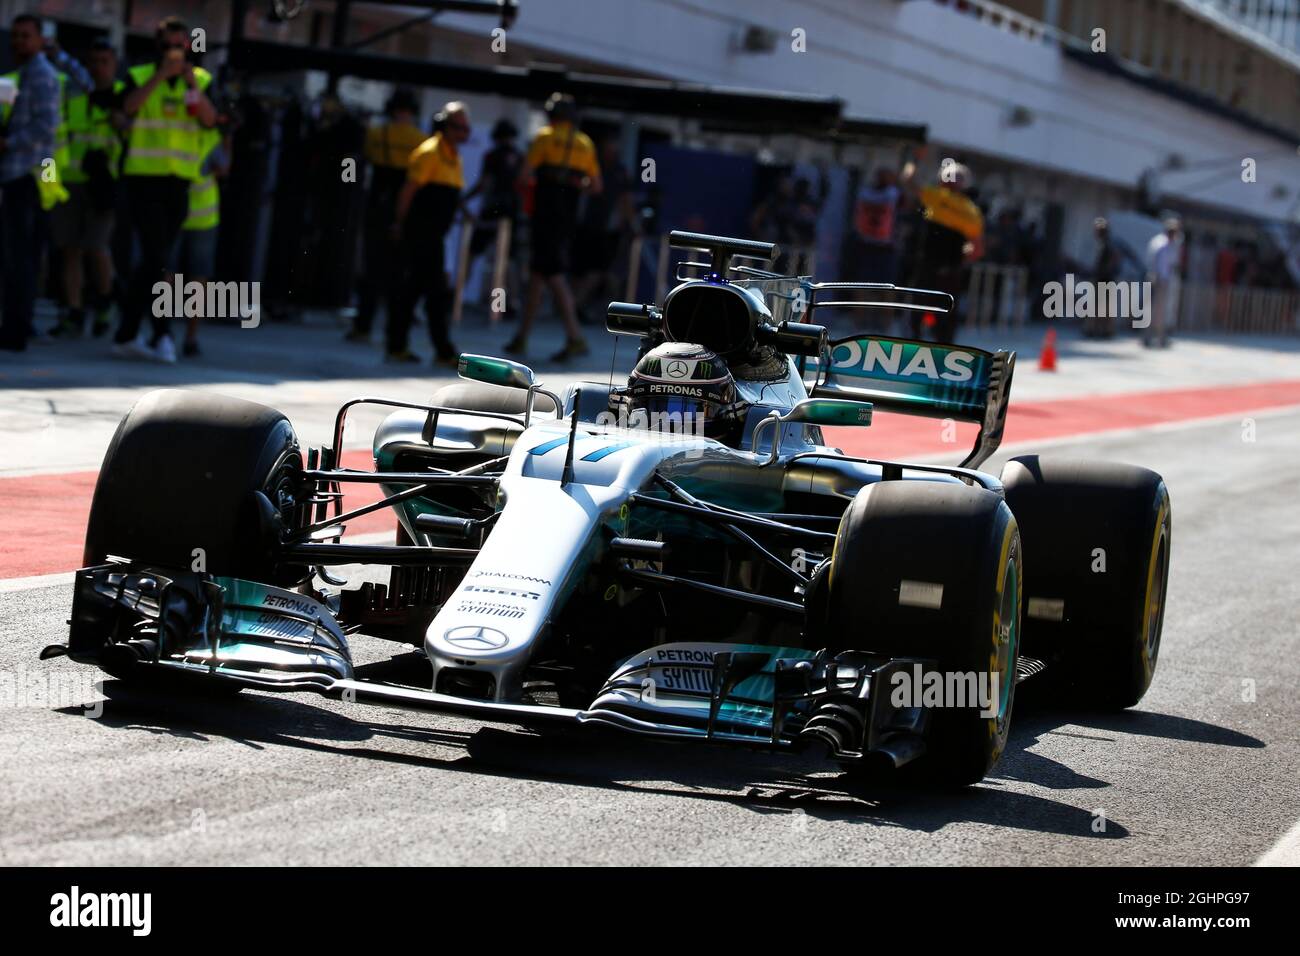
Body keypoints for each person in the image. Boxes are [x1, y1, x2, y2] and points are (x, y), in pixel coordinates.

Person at [113, 16, 217, 363]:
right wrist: (160, 76)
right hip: (144, 178)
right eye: (168, 44)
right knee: (157, 258)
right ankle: (160, 334)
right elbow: (126, 107)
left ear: (189, 47)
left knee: (153, 261)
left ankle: (128, 332)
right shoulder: (141, 75)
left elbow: (210, 119)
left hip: (180, 182)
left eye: (180, 45)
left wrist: (189, 82)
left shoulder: (200, 79)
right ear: (158, 46)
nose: (174, 51)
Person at [507, 93, 602, 361]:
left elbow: (524, 176)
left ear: (551, 115)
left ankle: (575, 337)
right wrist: (573, 183)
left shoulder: (545, 137)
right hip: (567, 219)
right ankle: (521, 337)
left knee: (552, 273)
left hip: (544, 216)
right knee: (538, 275)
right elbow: (595, 186)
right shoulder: (585, 143)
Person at [49, 38, 125, 339]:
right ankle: (74, 310)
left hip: (103, 186)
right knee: (70, 249)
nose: (98, 68)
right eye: (93, 62)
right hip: (70, 182)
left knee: (96, 247)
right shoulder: (74, 96)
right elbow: (56, 139)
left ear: (115, 64)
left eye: (104, 61)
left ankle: (106, 301)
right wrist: (50, 183)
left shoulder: (123, 96)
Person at [388, 100, 468, 366]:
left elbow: (450, 193)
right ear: (444, 126)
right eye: (458, 127)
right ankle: (440, 350)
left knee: (418, 290)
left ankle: (403, 346)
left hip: (435, 235)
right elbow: (408, 191)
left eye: (466, 128)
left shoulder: (452, 155)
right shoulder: (429, 152)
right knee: (430, 292)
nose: (463, 133)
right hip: (420, 233)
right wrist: (399, 224)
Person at [0, 14, 63, 351]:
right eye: (16, 36)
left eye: (26, 36)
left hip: (30, 175)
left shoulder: (41, 75)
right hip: (18, 173)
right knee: (15, 256)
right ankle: (14, 324)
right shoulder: (21, 74)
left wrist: (8, 143)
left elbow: (45, 127)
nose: (19, 42)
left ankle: (16, 329)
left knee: (21, 256)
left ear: (41, 39)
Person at [350, 88, 424, 342]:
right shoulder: (419, 139)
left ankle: (362, 326)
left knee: (371, 269)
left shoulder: (375, 133)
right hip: (406, 207)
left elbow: (366, 159)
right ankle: (395, 331)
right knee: (399, 272)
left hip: (376, 204)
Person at [900, 149, 983, 343]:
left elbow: (907, 180)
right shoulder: (971, 211)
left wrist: (914, 160)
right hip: (951, 271)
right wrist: (960, 258)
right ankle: (944, 351)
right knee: (946, 318)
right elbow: (977, 249)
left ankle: (912, 344)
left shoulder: (935, 196)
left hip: (927, 265)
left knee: (916, 312)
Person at [174, 122, 230, 356]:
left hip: (175, 210)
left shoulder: (172, 131)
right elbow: (223, 168)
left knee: (166, 270)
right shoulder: (210, 136)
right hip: (203, 213)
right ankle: (190, 337)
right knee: (198, 276)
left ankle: (162, 333)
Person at [571, 136, 636, 325]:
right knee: (585, 270)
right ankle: (574, 304)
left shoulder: (619, 171)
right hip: (587, 227)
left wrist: (632, 224)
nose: (610, 154)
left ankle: (579, 305)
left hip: (607, 231)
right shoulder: (592, 166)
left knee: (601, 271)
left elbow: (625, 200)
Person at [464, 117, 523, 318]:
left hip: (492, 210)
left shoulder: (492, 156)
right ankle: (507, 305)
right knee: (508, 261)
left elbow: (485, 183)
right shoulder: (520, 156)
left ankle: (454, 296)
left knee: (472, 254)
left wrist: (465, 198)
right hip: (511, 212)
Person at [851, 166, 901, 283]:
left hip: (875, 243)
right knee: (866, 281)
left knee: (871, 282)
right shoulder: (891, 194)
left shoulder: (865, 193)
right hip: (872, 243)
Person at [1145, 216, 1182, 348]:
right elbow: (1152, 262)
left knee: (1164, 310)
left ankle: (1161, 337)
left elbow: (1173, 263)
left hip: (1166, 280)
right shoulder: (1159, 243)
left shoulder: (1173, 244)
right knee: (1153, 309)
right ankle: (1148, 336)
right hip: (1156, 279)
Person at [1086, 217, 1120, 338]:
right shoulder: (1102, 243)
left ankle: (1104, 330)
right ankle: (1096, 329)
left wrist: (1104, 272)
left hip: (1105, 278)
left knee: (1102, 306)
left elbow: (1113, 260)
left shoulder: (1108, 244)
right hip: (1102, 277)